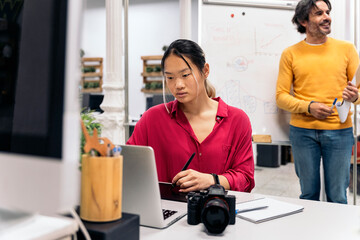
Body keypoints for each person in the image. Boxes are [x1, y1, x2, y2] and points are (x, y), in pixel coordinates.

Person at [127, 39, 255, 193]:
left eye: (185, 75)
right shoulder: (152, 119)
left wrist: (212, 180)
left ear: (205, 71)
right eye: (170, 77)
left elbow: (246, 179)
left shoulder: (237, 120)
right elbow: (129, 166)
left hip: (218, 212)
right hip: (167, 211)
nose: (178, 84)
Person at [276, 0, 360, 204]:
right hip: (303, 132)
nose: (327, 17)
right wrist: (309, 107)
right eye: (319, 13)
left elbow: (358, 91)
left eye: (327, 12)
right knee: (308, 195)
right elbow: (280, 96)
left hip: (340, 131)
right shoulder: (290, 53)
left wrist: (355, 97)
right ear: (304, 20)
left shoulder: (347, 49)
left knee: (338, 196)